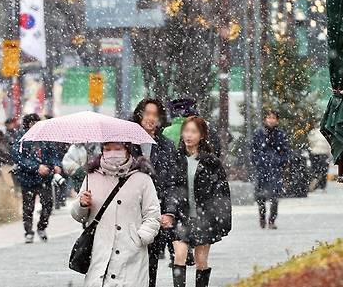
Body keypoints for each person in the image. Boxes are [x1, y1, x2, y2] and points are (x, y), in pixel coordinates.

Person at [71, 142, 161, 287]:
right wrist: (82, 204)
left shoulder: (142, 179)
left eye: (117, 149)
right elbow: (79, 216)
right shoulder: (91, 177)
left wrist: (141, 237)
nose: (112, 153)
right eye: (107, 149)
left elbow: (152, 213)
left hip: (132, 254)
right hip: (100, 252)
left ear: (127, 150)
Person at [167, 116, 232, 287]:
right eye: (186, 131)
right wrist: (169, 211)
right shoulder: (175, 159)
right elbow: (170, 187)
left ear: (202, 135)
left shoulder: (212, 162)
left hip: (204, 219)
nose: (188, 135)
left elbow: (221, 193)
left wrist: (221, 219)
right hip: (180, 216)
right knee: (179, 255)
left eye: (193, 132)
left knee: (201, 260)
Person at [130, 98, 178, 287]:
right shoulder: (127, 144)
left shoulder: (166, 146)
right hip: (129, 212)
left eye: (154, 115)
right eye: (146, 114)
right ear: (139, 115)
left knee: (151, 263)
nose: (150, 119)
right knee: (129, 263)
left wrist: (170, 212)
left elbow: (172, 182)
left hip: (155, 212)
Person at [12, 113, 59, 243]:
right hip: (27, 179)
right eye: (31, 123)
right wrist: (36, 167)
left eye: (36, 123)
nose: (34, 126)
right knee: (28, 207)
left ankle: (42, 227)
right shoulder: (21, 138)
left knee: (48, 205)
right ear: (26, 124)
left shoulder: (45, 137)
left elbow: (53, 153)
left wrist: (56, 165)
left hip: (45, 179)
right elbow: (18, 158)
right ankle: (28, 231)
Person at [251, 110, 290, 229]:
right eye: (269, 117)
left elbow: (286, 151)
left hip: (275, 169)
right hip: (262, 169)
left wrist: (280, 161)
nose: (271, 120)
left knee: (274, 196)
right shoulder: (258, 133)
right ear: (265, 119)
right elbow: (253, 150)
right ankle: (262, 218)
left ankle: (272, 220)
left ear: (277, 120)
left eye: (273, 118)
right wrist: (258, 161)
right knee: (260, 196)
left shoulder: (281, 134)